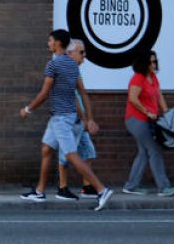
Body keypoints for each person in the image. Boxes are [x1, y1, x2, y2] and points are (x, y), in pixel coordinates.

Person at [19, 29, 114, 211]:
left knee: (71, 154)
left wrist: (28, 109)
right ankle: (39, 191)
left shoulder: (52, 65)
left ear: (58, 44)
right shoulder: (72, 65)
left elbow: (45, 93)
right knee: (46, 149)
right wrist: (89, 118)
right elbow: (82, 93)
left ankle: (102, 189)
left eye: (50, 41)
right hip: (63, 117)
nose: (48, 43)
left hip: (61, 119)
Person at [122, 49, 174, 196]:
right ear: (144, 63)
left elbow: (159, 96)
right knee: (154, 150)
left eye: (155, 61)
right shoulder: (138, 78)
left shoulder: (152, 77)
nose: (154, 64)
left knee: (143, 153)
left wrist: (167, 113)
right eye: (151, 61)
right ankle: (164, 187)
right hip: (136, 120)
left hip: (148, 120)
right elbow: (133, 99)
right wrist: (147, 112)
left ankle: (131, 186)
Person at [57, 39, 100, 199]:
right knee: (67, 153)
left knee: (88, 151)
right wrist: (85, 119)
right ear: (69, 53)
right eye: (81, 52)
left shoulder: (75, 70)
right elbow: (72, 97)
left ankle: (87, 186)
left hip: (80, 120)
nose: (84, 56)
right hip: (71, 118)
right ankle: (62, 188)